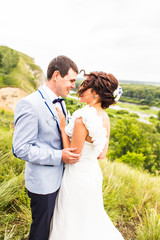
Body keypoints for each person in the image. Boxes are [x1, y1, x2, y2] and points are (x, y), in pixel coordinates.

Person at [12, 55, 81, 240]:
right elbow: (21, 148)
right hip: (43, 184)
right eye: (71, 80)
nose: (74, 85)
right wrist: (59, 156)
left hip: (62, 181)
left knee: (54, 228)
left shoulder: (61, 102)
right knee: (41, 231)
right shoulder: (30, 104)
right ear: (57, 75)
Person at [49, 71, 124, 240]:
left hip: (76, 176)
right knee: (89, 219)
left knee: (71, 221)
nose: (80, 88)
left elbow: (73, 156)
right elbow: (102, 154)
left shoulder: (83, 117)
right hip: (92, 174)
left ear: (96, 94)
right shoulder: (105, 117)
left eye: (86, 86)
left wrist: (62, 127)